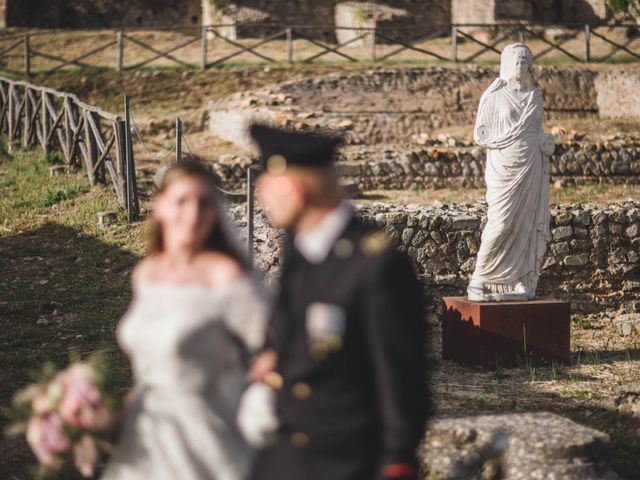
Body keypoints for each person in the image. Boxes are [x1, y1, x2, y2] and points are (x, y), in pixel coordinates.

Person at [247, 124, 431, 480]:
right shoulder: (299, 247)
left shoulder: (375, 264)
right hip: (285, 457)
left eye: (266, 187)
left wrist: (397, 460)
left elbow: (401, 378)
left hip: (347, 461)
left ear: (295, 190)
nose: (260, 196)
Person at [102, 160, 268, 480]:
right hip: (143, 436)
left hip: (203, 439)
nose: (193, 215)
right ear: (160, 206)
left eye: (204, 203)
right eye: (182, 201)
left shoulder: (226, 276)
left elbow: (278, 346)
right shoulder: (147, 274)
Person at [467, 43, 554, 302]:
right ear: (506, 64)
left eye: (525, 62)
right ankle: (479, 280)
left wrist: (545, 141)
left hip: (531, 164)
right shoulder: (494, 96)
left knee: (525, 224)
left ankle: (518, 279)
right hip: (503, 165)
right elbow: (480, 134)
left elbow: (536, 131)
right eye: (516, 61)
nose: (520, 66)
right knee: (501, 222)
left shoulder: (534, 96)